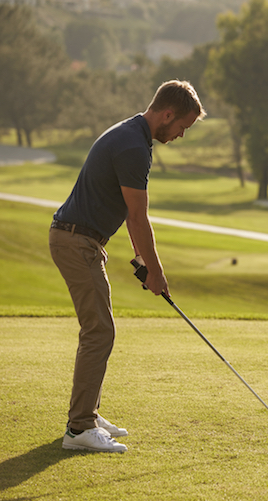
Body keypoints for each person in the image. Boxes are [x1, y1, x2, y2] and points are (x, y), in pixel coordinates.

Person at [49, 80, 206, 452]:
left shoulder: (132, 134)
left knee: (99, 330)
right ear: (167, 114)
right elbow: (138, 217)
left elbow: (129, 215)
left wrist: (142, 259)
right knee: (99, 332)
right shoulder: (134, 146)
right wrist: (156, 272)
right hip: (77, 242)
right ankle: (79, 428)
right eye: (182, 127)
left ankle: (88, 413)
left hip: (81, 240)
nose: (181, 135)